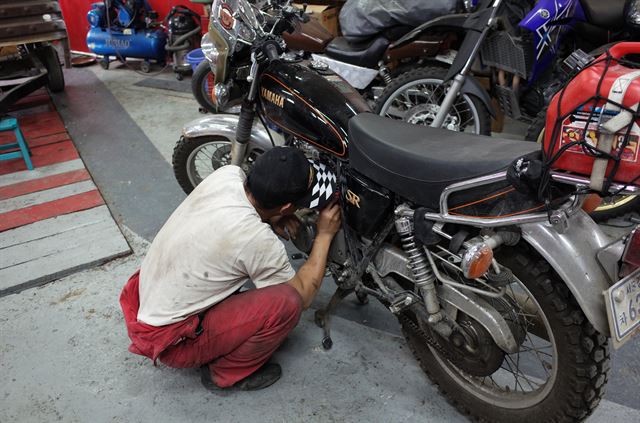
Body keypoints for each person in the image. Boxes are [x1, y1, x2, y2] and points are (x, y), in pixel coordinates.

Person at [119, 147, 341, 392]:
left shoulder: (228, 175)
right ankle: (224, 374)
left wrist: (272, 217)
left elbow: (240, 218)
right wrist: (325, 235)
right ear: (287, 207)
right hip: (172, 341)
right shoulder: (256, 239)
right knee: (287, 303)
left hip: (148, 299)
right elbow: (304, 294)